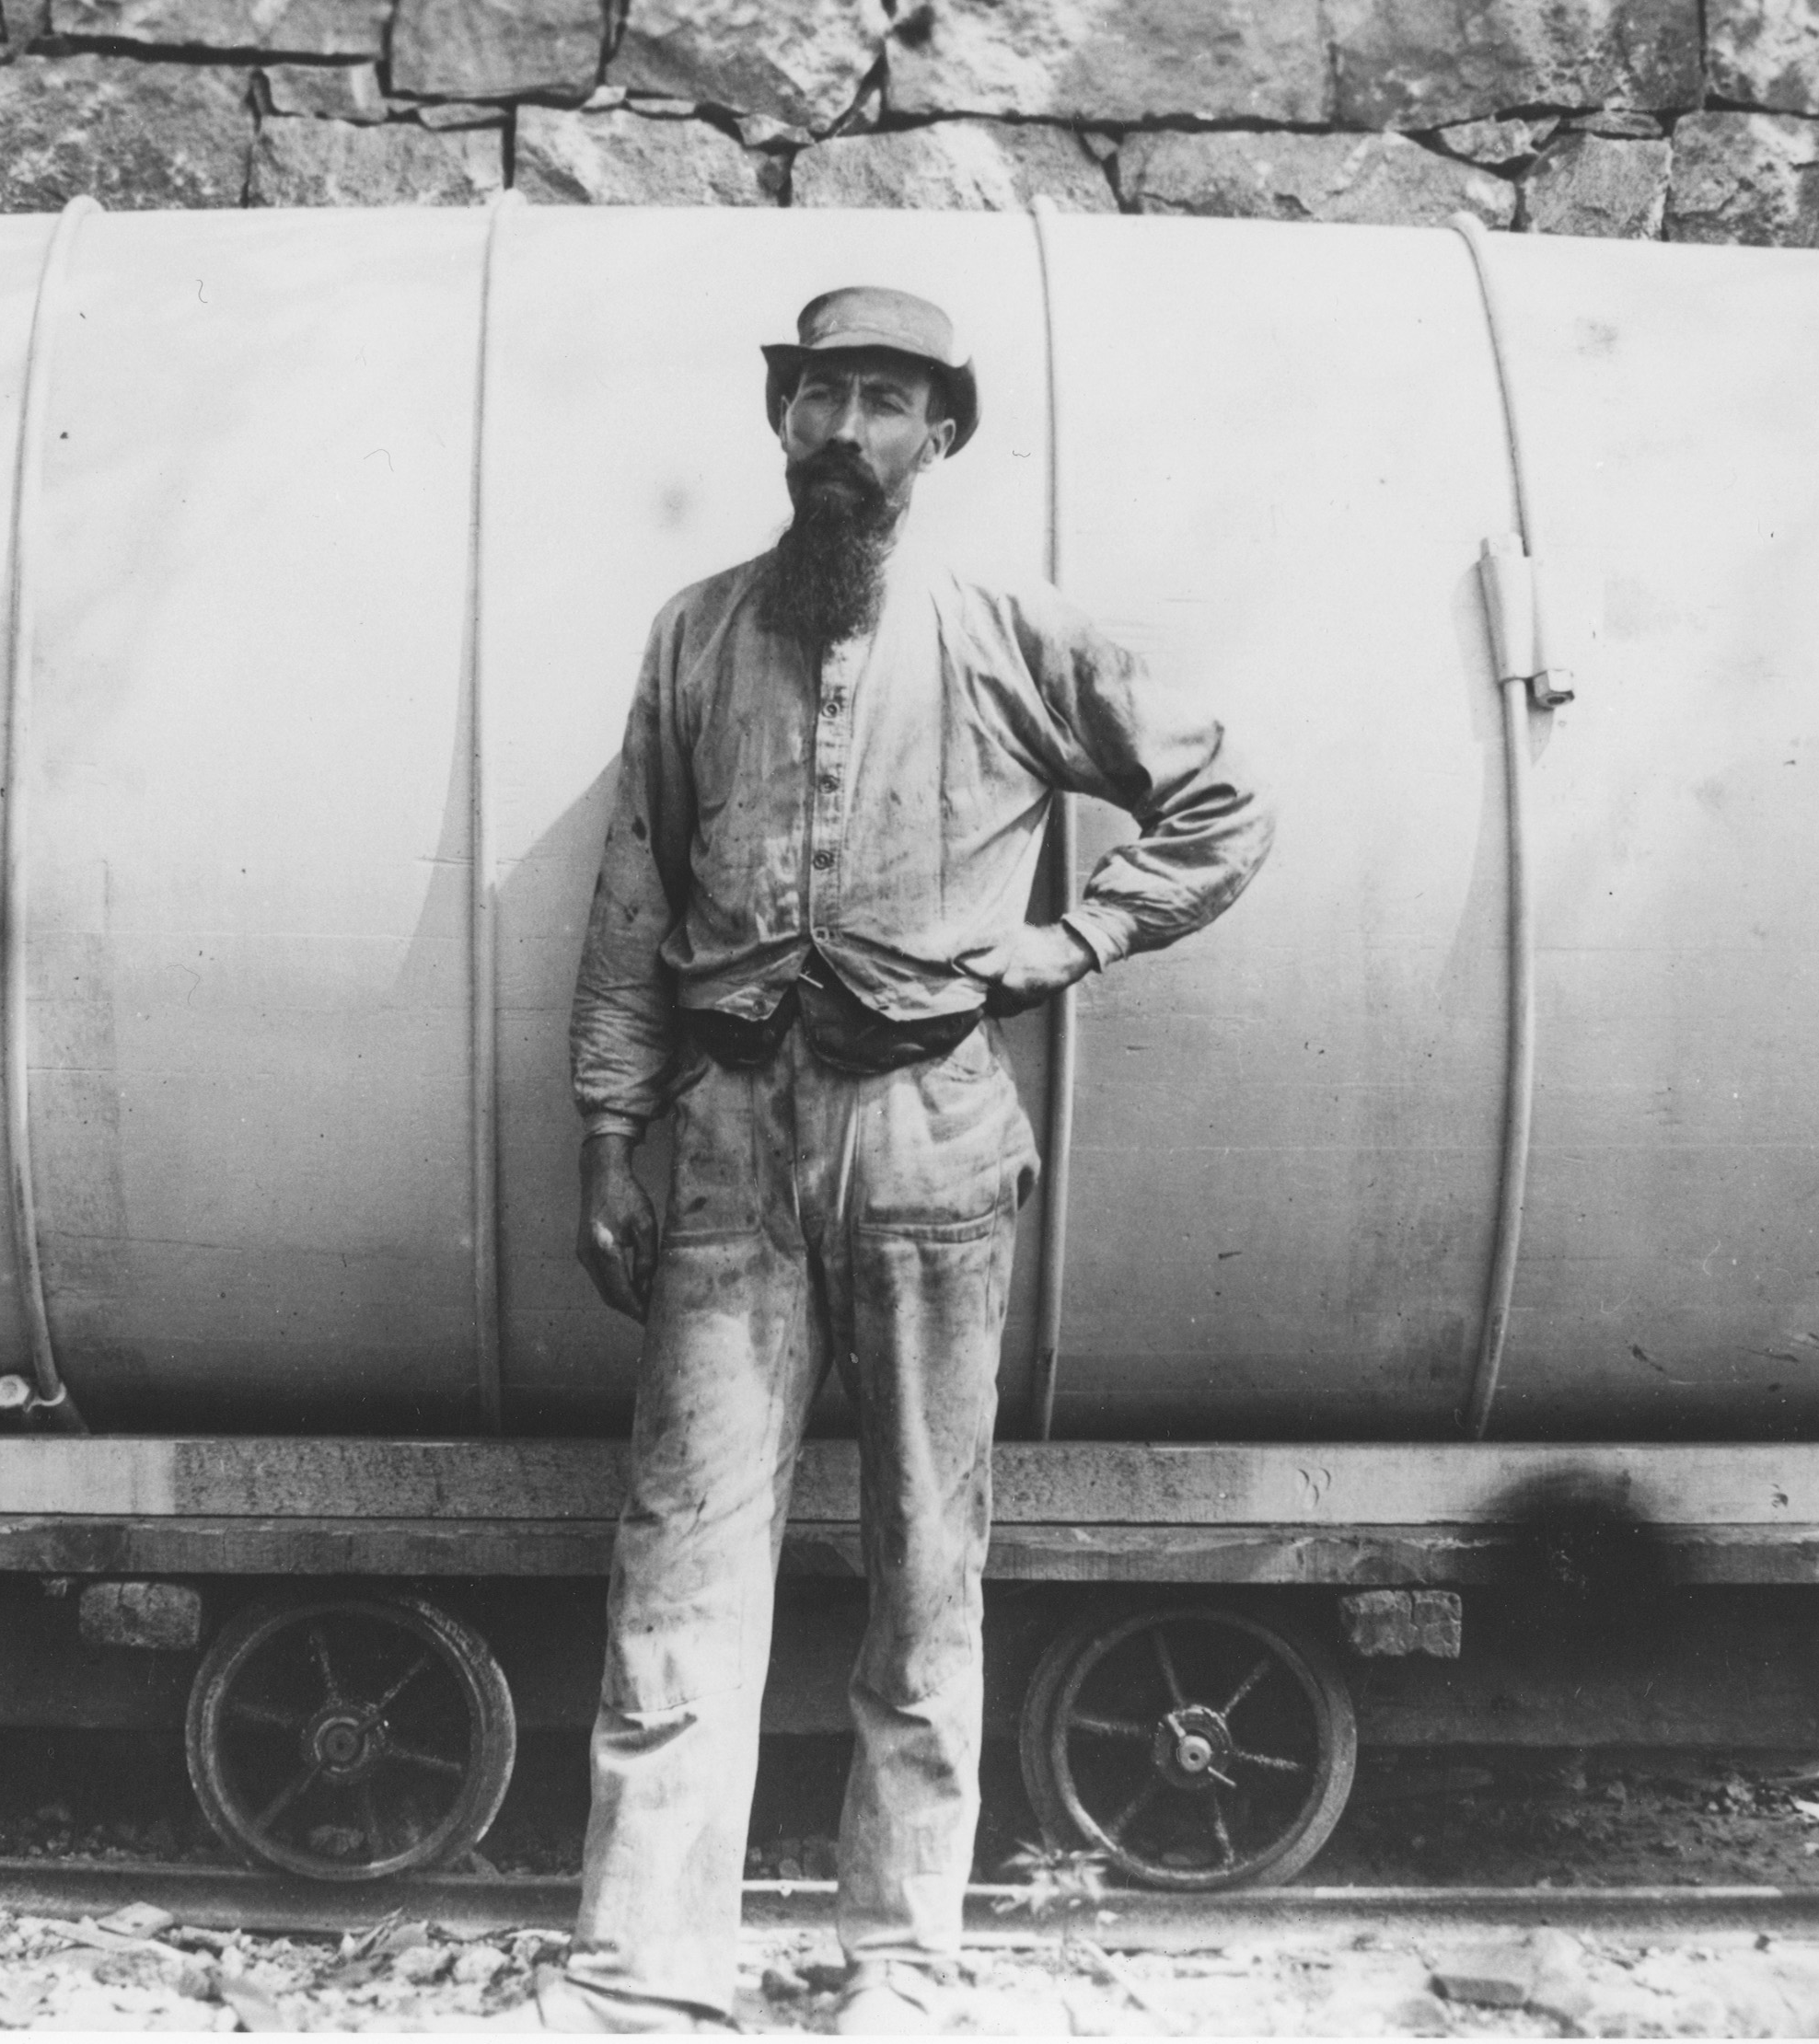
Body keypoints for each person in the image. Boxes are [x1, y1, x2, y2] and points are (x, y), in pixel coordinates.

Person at [525, 285, 1271, 2036]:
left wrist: (1069, 941)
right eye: (820, 400)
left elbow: (1219, 803)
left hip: (932, 1130)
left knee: (929, 1555)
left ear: (940, 439)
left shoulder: (1017, 633)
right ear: (779, 421)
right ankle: (641, 1974)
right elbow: (635, 894)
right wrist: (607, 1135)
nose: (846, 436)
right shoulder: (695, 635)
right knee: (680, 1554)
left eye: (886, 406)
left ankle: (905, 1969)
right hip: (722, 1140)